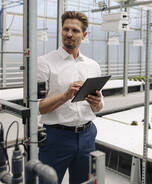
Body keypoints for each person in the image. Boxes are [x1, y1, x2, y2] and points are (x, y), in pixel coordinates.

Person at [37, 11, 103, 184]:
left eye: (75, 30)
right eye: (66, 29)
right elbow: (39, 107)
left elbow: (98, 107)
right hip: (56, 137)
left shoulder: (93, 66)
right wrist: (66, 95)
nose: (69, 34)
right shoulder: (45, 63)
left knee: (84, 182)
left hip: (87, 135)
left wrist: (97, 103)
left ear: (84, 35)